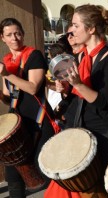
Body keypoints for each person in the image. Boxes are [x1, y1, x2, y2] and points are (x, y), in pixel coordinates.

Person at [46, 4, 108, 197]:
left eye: (75, 25)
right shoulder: (79, 56)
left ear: (90, 29)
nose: (70, 30)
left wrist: (79, 85)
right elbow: (77, 96)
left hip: (103, 135)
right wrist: (66, 89)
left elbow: (105, 101)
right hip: (79, 129)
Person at [0, 17, 55, 197]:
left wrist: (6, 74)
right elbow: (8, 97)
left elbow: (32, 88)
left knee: (45, 174)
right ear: (3, 38)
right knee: (13, 176)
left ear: (23, 34)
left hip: (38, 121)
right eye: (9, 35)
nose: (14, 38)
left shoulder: (34, 55)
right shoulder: (6, 60)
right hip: (17, 123)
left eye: (17, 33)